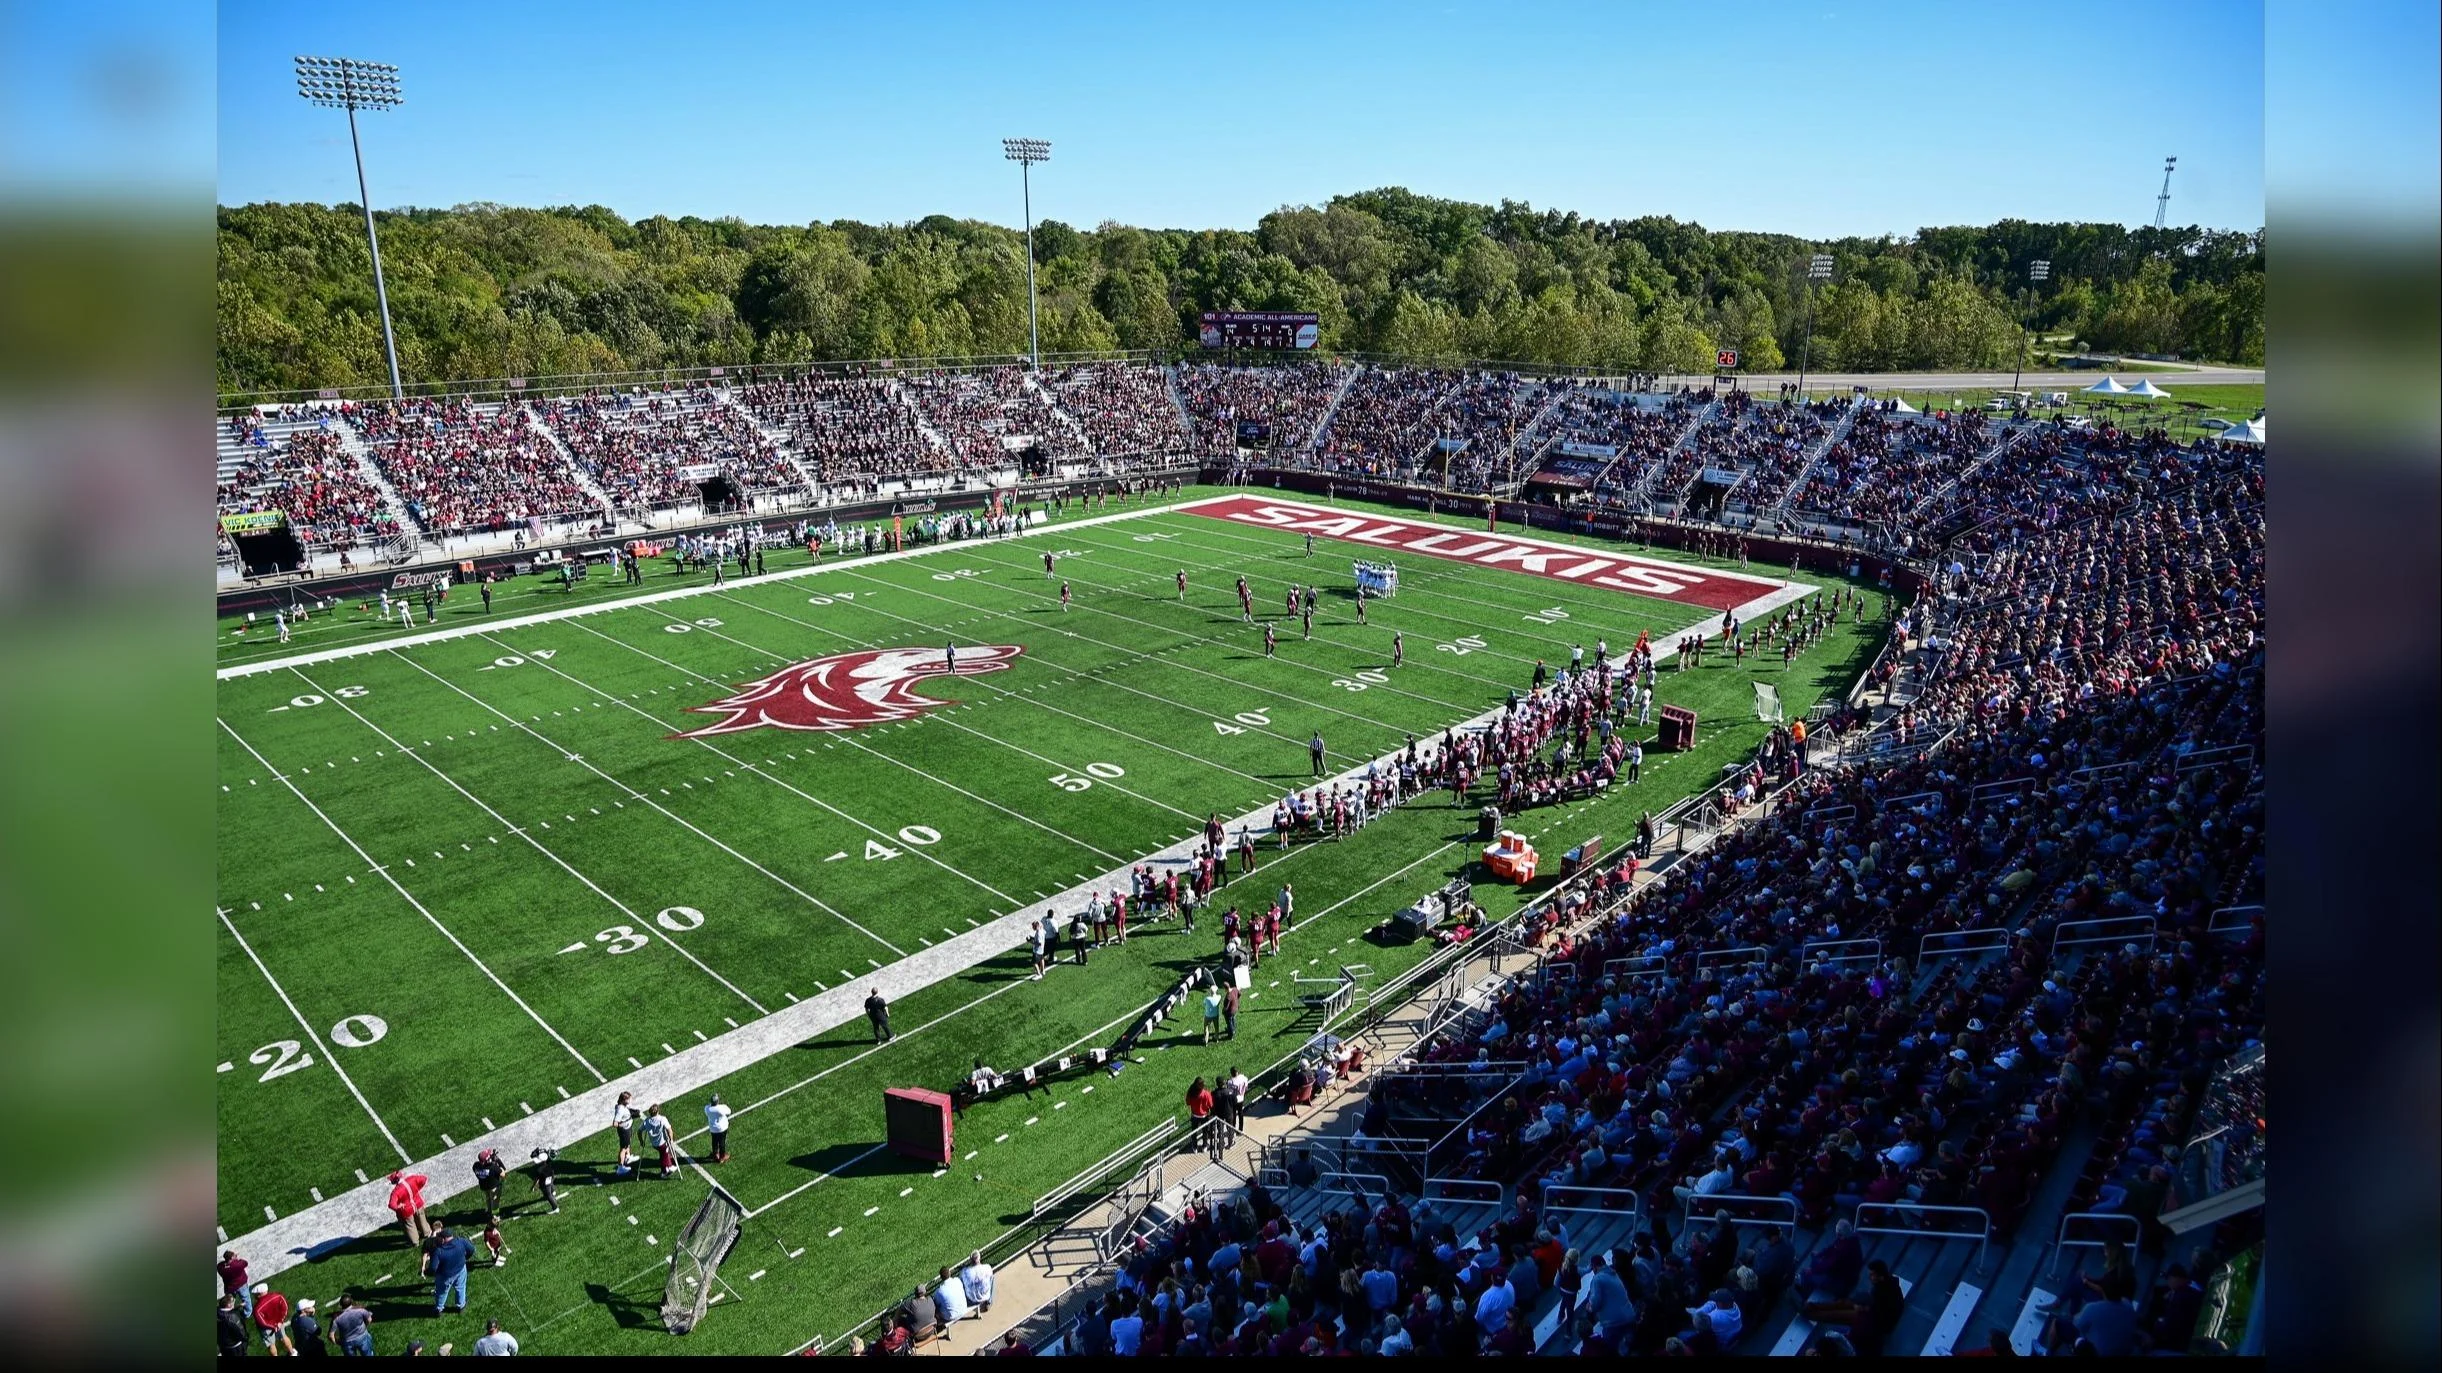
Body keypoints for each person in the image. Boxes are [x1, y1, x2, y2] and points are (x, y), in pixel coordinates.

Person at [425, 1226, 476, 1315]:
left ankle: (439, 1309)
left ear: (444, 1239)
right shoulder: (461, 1241)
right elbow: (472, 1249)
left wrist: (427, 1272)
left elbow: (433, 1268)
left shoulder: (439, 1251)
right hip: (461, 1270)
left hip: (444, 1276)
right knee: (460, 1287)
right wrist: (465, 1258)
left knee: (441, 1292)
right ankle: (461, 1306)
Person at [387, 1169, 433, 1247]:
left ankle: (414, 1242)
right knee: (422, 1219)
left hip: (406, 1210)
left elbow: (391, 1205)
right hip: (418, 1203)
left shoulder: (396, 1191)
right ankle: (427, 1233)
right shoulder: (412, 1179)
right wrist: (418, 1189)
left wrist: (399, 1207)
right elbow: (424, 1179)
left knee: (409, 1226)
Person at [252, 1284, 295, 1356]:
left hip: (267, 1329)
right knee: (284, 1337)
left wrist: (273, 1327)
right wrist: (280, 1321)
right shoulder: (278, 1296)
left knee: (271, 1345)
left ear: (260, 1294)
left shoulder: (257, 1308)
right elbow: (285, 1308)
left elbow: (262, 1323)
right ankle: (292, 1353)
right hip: (279, 1323)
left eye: (255, 1294)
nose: (254, 1296)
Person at [643, 1103, 678, 1178]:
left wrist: (641, 1141)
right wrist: (671, 1140)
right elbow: (669, 1130)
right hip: (662, 1142)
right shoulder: (662, 1119)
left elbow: (639, 1131)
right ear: (658, 1111)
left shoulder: (647, 1121)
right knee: (664, 1154)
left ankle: (668, 1166)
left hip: (654, 1143)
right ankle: (665, 1171)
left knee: (664, 1153)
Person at [525, 1147, 561, 1214]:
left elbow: (537, 1180)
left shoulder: (539, 1169)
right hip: (550, 1177)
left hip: (545, 1182)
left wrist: (533, 1187)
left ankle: (555, 1208)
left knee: (548, 1195)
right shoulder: (547, 1163)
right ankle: (553, 1192)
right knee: (551, 1184)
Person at [472, 1148, 506, 1216]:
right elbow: (503, 1175)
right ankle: (495, 1216)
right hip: (494, 1187)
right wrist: (498, 1163)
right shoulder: (493, 1167)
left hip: (484, 1186)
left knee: (488, 1199)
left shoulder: (475, 1166)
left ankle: (489, 1212)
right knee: (495, 1202)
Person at [612, 1092, 637, 1176]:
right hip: (624, 1130)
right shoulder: (620, 1110)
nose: (630, 1100)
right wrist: (623, 1124)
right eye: (628, 1099)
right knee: (623, 1148)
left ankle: (628, 1157)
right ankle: (620, 1168)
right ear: (624, 1100)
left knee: (628, 1144)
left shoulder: (623, 1106)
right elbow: (615, 1123)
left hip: (627, 1128)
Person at [704, 1094, 732, 1164]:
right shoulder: (721, 1108)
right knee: (722, 1142)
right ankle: (722, 1157)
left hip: (713, 1128)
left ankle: (715, 1154)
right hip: (722, 1128)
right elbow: (729, 1111)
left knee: (714, 1141)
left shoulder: (707, 1108)